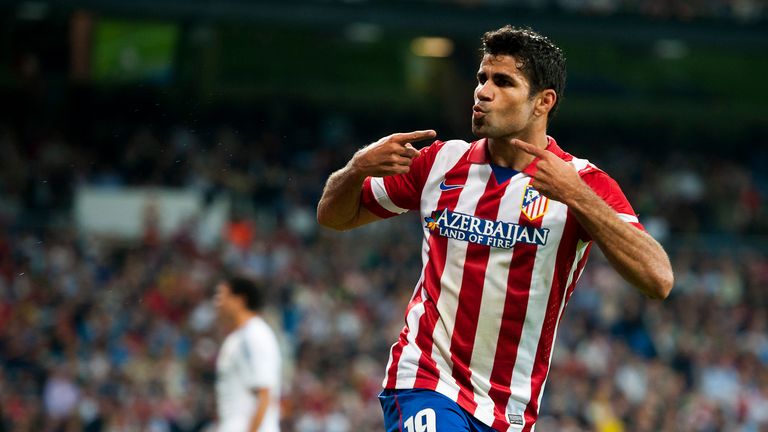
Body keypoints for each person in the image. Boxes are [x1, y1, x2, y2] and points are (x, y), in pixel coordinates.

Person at [316, 25, 673, 432]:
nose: (483, 92)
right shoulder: (439, 162)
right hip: (426, 382)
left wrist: (578, 198)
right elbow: (333, 215)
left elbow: (658, 278)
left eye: (503, 82)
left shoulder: (581, 182)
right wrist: (357, 168)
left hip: (510, 410)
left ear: (543, 102)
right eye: (482, 78)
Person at [214, 276, 281, 432]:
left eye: (222, 296)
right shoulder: (236, 339)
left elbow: (264, 394)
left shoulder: (255, 335)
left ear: (240, 300)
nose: (218, 303)